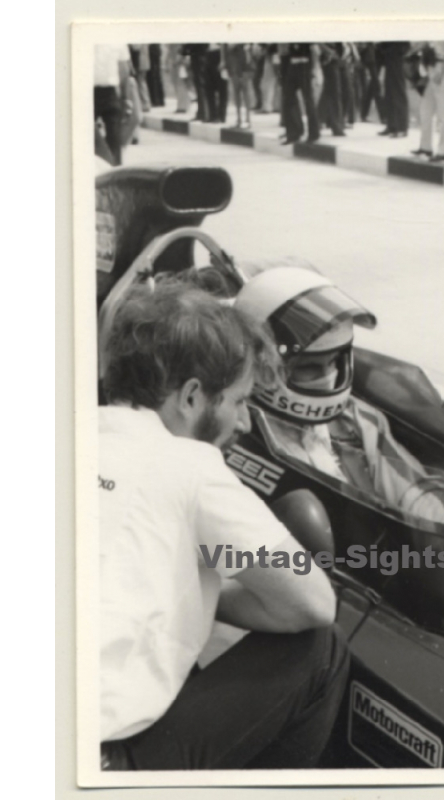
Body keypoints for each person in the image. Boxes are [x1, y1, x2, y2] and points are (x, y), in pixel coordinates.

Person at [98, 281, 348, 770]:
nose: (244, 422)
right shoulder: (189, 465)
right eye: (237, 401)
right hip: (90, 767)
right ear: (192, 397)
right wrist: (202, 590)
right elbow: (314, 603)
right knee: (321, 651)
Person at [234, 266, 444, 524]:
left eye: (335, 362)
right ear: (264, 366)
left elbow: (417, 493)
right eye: (309, 367)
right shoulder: (236, 429)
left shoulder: (357, 420)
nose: (328, 376)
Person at [410, 41, 444, 162]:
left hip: (443, 68)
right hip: (431, 67)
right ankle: (425, 147)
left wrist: (442, 70)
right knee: (425, 110)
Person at [376, 41, 410, 138]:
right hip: (389, 56)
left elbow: (405, 45)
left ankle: (402, 127)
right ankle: (392, 125)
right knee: (389, 93)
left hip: (397, 56)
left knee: (398, 92)